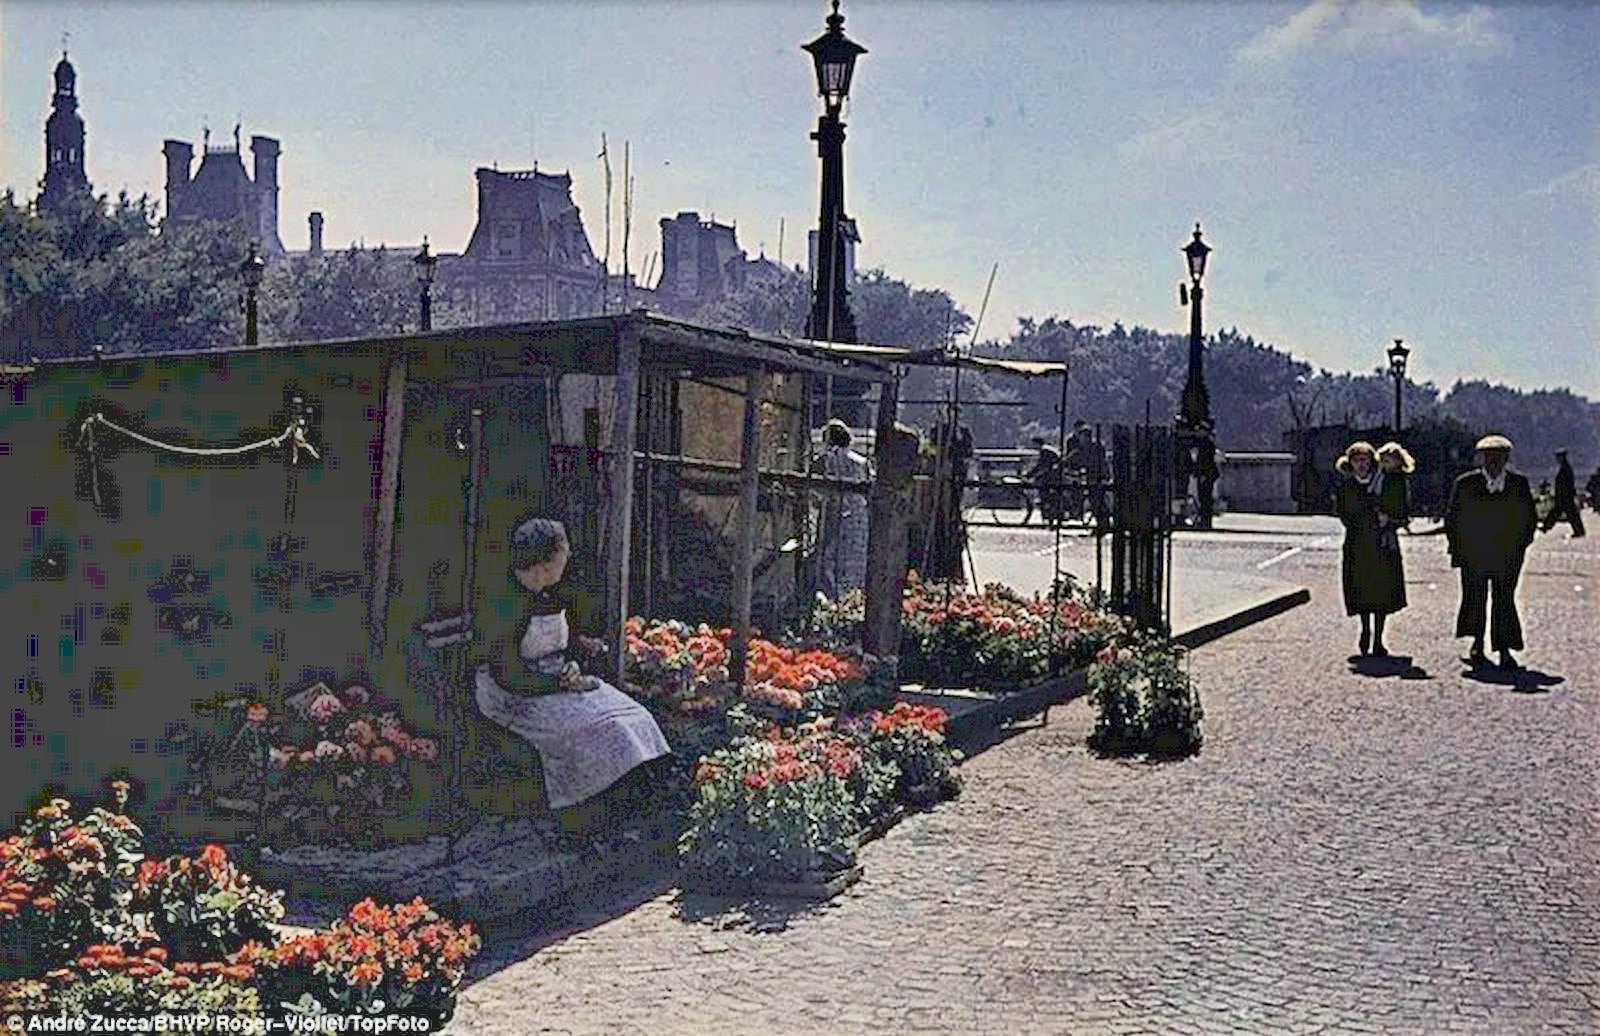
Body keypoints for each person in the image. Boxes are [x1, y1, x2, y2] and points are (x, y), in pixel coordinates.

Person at [472, 517, 671, 838]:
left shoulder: (554, 593)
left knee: (633, 717)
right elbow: (507, 673)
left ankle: (629, 807)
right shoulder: (503, 602)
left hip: (556, 680)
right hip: (512, 695)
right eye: (562, 557)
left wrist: (574, 664)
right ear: (545, 564)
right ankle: (583, 815)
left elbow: (570, 640)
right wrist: (558, 684)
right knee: (591, 732)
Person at [1445, 435, 1538, 670]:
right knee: (1475, 597)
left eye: (1498, 457)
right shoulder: (1466, 484)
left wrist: (1520, 545)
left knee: (1504, 599)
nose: (1493, 462)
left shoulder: (1518, 484)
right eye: (1488, 457)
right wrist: (1458, 550)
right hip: (1474, 553)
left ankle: (1504, 649)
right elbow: (1453, 518)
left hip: (1507, 554)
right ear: (1481, 459)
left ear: (1506, 459)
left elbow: (1529, 518)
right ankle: (1476, 643)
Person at [1334, 441, 1406, 656]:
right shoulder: (1346, 487)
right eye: (1357, 460)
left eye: (1365, 460)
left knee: (1382, 593)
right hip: (1358, 544)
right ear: (1351, 463)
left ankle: (1378, 639)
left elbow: (1400, 509)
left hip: (1383, 545)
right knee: (1362, 590)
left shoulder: (1386, 481)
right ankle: (1365, 629)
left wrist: (1389, 519)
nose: (1362, 465)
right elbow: (1345, 514)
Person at [817, 419, 870, 596]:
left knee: (831, 559)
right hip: (858, 516)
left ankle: (835, 596)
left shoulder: (826, 460)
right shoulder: (861, 462)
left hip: (834, 513)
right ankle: (853, 597)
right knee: (855, 559)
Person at [1542, 448, 1586, 538]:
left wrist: (1562, 493)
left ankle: (1546, 526)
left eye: (1558, 457)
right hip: (1565, 496)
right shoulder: (1565, 468)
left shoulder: (1565, 469)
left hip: (1565, 496)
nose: (1557, 459)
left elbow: (1566, 484)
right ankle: (1546, 526)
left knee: (1567, 514)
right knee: (1567, 514)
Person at [1026, 438, 1064, 524]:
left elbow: (1041, 465)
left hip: (1055, 474)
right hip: (1056, 472)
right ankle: (1050, 511)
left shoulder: (1044, 451)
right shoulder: (1046, 449)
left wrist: (1030, 474)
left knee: (1044, 489)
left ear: (1037, 444)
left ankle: (1048, 510)